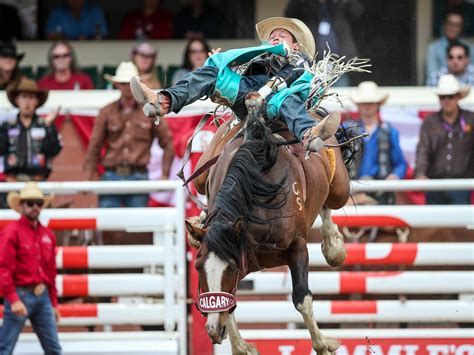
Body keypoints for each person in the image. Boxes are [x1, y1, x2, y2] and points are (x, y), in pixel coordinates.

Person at [131, 17, 341, 154]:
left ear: (295, 45)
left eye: (282, 35)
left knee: (288, 99)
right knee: (212, 72)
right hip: (248, 99)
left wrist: (266, 90)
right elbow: (234, 73)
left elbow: (291, 75)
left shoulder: (300, 61)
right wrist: (220, 62)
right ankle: (164, 101)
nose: (275, 37)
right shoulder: (257, 58)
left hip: (277, 102)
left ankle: (308, 133)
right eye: (273, 36)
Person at [83, 62, 174, 208]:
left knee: (137, 227)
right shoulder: (106, 111)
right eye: (123, 83)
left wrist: (164, 175)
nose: (127, 87)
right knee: (109, 225)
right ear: (117, 85)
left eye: (130, 83)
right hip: (112, 175)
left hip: (138, 174)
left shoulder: (151, 111)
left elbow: (168, 143)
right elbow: (95, 145)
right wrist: (87, 177)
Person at [0, 182, 61, 354]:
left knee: (53, 348)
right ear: (21, 205)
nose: (34, 207)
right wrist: (13, 298)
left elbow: (51, 272)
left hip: (42, 296)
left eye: (38, 203)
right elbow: (4, 268)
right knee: (5, 347)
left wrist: (54, 303)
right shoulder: (11, 232)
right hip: (21, 293)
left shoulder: (47, 235)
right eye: (30, 202)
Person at [415, 74, 473, 205]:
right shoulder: (430, 121)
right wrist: (420, 174)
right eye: (443, 97)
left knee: (461, 224)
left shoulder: (471, 119)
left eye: (450, 96)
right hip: (435, 184)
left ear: (458, 97)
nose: (447, 100)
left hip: (462, 184)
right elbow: (423, 149)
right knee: (434, 224)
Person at [348, 81, 407, 204]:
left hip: (381, 190)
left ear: (378, 105)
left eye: (371, 103)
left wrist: (395, 175)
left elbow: (400, 164)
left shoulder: (390, 132)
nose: (367, 106)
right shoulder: (347, 131)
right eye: (364, 103)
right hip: (353, 191)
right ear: (358, 105)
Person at [0, 78, 62, 182]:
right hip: (12, 181)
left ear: (37, 101)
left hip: (38, 181)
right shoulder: (7, 126)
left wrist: (49, 127)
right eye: (24, 97)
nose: (27, 101)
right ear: (17, 100)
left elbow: (54, 150)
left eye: (31, 97)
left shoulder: (45, 125)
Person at [426, 11, 474, 80]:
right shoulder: (433, 48)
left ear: (461, 28)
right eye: (450, 24)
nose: (453, 28)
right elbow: (431, 76)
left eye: (457, 25)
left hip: (466, 87)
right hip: (442, 88)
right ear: (444, 25)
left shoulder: (470, 47)